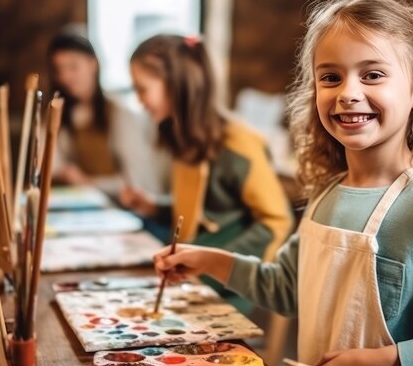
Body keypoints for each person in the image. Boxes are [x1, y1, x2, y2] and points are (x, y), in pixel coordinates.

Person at [153, 0, 413, 366]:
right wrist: (207, 260)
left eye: (372, 75)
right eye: (331, 78)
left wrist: (391, 358)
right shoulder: (327, 194)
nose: (349, 92)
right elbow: (286, 288)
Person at [122, 34, 293, 311]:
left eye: (142, 89)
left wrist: (215, 266)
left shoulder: (239, 143)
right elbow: (201, 214)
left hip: (224, 292)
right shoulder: (183, 139)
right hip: (191, 280)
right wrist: (154, 206)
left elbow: (276, 221)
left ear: (176, 85)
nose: (139, 100)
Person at [48, 31, 169, 197]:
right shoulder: (63, 114)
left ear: (92, 64)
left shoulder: (120, 114)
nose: (65, 76)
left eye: (73, 67)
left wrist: (86, 182)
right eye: (59, 69)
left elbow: (137, 183)